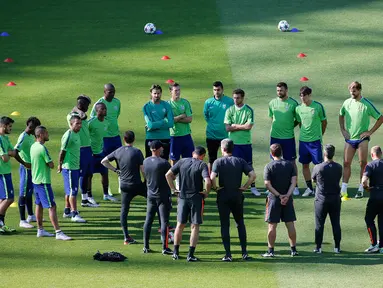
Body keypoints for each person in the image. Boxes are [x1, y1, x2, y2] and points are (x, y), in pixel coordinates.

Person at [210, 139, 256, 261]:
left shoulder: (218, 162)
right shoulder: (240, 161)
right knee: (240, 223)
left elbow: (212, 177)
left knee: (225, 225)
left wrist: (215, 188)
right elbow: (253, 175)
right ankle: (244, 253)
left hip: (223, 195)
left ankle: (228, 254)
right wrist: (245, 187)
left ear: (223, 149)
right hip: (237, 195)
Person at [165, 146, 211, 262]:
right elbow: (208, 181)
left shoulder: (182, 161)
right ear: (203, 155)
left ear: (193, 153)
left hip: (182, 197)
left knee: (180, 225)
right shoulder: (202, 165)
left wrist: (174, 189)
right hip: (196, 198)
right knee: (195, 226)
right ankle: (190, 254)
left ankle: (175, 252)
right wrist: (206, 192)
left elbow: (168, 175)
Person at [339, 81, 383, 200]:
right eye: (351, 90)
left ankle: (360, 189)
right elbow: (341, 115)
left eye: (354, 90)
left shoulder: (366, 104)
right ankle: (343, 189)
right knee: (346, 163)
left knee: (362, 163)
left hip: (362, 139)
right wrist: (343, 130)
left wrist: (370, 132)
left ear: (359, 90)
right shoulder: (346, 103)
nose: (352, 92)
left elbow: (380, 118)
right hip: (350, 139)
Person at [101, 130, 146, 245]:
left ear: (124, 139)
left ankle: (126, 237)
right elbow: (143, 169)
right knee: (155, 200)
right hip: (137, 185)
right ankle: (163, 226)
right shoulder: (137, 152)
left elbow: (104, 161)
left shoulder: (118, 151)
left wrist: (115, 170)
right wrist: (146, 181)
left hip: (124, 186)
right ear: (134, 139)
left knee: (124, 210)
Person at [31, 126, 71, 240]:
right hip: (43, 182)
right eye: (46, 133)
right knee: (52, 206)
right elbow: (51, 164)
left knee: (38, 204)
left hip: (35, 180)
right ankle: (58, 232)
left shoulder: (33, 146)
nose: (48, 135)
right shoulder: (42, 148)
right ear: (41, 135)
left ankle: (40, 230)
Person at [262, 143, 298, 257]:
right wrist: (287, 195)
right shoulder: (290, 165)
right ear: (281, 152)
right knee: (290, 223)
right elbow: (294, 182)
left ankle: (271, 251)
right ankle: (293, 250)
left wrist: (279, 196)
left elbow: (267, 184)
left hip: (273, 199)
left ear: (271, 153)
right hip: (288, 199)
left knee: (272, 226)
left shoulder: (269, 166)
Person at [224, 88, 260, 196]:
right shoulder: (229, 110)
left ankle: (253, 187)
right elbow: (227, 128)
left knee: (249, 165)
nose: (235, 100)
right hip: (233, 144)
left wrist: (235, 125)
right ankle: (234, 187)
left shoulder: (248, 110)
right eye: (234, 98)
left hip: (245, 142)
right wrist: (241, 126)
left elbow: (248, 126)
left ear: (242, 98)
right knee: (233, 166)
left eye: (238, 98)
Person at [268, 82, 300, 196]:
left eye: (281, 90)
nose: (279, 92)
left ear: (286, 90)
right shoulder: (272, 103)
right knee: (273, 162)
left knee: (291, 162)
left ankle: (295, 186)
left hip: (288, 137)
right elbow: (272, 117)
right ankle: (272, 186)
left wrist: (290, 127)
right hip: (275, 137)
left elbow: (298, 119)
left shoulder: (293, 104)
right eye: (277, 90)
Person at [295, 86, 327, 197]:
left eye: (305, 95)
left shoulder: (318, 106)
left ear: (309, 95)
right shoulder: (298, 108)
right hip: (303, 141)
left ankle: (320, 187)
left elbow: (324, 122)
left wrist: (320, 135)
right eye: (301, 96)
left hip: (315, 142)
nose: (302, 98)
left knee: (319, 166)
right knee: (304, 165)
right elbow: (299, 123)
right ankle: (309, 188)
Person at [67, 94, 98, 207]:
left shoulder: (80, 113)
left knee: (89, 173)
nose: (88, 108)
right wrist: (76, 109)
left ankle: (87, 197)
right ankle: (83, 199)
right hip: (80, 149)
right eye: (87, 105)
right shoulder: (73, 116)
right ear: (82, 104)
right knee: (83, 174)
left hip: (88, 148)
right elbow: (82, 117)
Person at [142, 140, 173, 255]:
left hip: (151, 195)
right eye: (162, 148)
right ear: (159, 149)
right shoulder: (164, 163)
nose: (163, 149)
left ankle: (146, 246)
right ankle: (164, 247)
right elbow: (172, 176)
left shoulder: (146, 161)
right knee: (164, 222)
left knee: (148, 220)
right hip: (163, 196)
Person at [91, 83, 121, 196]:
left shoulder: (117, 102)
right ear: (104, 92)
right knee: (105, 163)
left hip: (116, 136)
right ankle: (107, 190)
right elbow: (93, 119)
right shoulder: (98, 104)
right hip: (105, 139)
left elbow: (116, 116)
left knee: (120, 161)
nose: (112, 94)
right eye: (110, 92)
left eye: (113, 92)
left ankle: (121, 186)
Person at [0, 116, 29, 233]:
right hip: (2, 172)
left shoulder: (5, 138)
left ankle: (1, 224)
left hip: (5, 172)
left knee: (2, 198)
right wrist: (9, 153)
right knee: (9, 198)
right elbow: (5, 157)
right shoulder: (0, 139)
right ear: (3, 126)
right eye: (9, 126)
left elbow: (14, 152)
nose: (11, 128)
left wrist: (10, 153)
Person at [312, 144, 343, 254]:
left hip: (321, 199)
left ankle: (318, 247)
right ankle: (337, 247)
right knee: (336, 223)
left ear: (324, 153)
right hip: (335, 199)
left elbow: (313, 180)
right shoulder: (339, 167)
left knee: (319, 224)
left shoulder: (318, 167)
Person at [58, 114, 85, 223]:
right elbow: (62, 151)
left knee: (69, 190)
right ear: (71, 124)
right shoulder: (68, 135)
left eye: (80, 124)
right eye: (77, 124)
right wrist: (60, 164)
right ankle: (74, 214)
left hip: (75, 167)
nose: (80, 126)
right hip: (69, 168)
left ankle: (67, 210)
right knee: (73, 191)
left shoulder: (76, 134)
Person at [15, 116, 41, 228]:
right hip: (26, 169)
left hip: (32, 169)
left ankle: (30, 215)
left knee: (29, 192)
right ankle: (22, 220)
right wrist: (24, 163)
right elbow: (15, 151)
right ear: (31, 127)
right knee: (23, 193)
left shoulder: (30, 136)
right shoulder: (23, 137)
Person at [203, 81, 234, 175]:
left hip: (225, 135)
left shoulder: (229, 101)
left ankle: (225, 178)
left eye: (218, 90)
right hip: (211, 135)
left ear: (222, 90)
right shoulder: (208, 102)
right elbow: (206, 116)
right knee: (212, 158)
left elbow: (233, 115)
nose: (216, 92)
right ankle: (211, 180)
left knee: (227, 158)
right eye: (215, 90)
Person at [88, 102, 116, 202]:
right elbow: (85, 136)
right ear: (97, 111)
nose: (105, 111)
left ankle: (106, 194)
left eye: (105, 109)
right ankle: (89, 196)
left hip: (100, 152)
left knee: (104, 173)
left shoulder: (106, 122)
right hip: (91, 153)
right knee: (89, 175)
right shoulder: (91, 123)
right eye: (102, 109)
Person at [142, 84, 174, 160]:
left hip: (165, 138)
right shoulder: (146, 106)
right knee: (150, 163)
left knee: (164, 163)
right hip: (151, 138)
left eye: (158, 93)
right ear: (151, 93)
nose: (157, 95)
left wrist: (154, 125)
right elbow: (150, 125)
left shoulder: (167, 105)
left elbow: (171, 123)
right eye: (155, 93)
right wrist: (163, 121)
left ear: (161, 93)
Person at [361, 146, 383, 253]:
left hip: (375, 196)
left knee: (369, 219)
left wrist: (366, 188)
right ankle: (382, 246)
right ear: (381, 153)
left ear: (372, 154)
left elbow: (364, 181)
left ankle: (374, 244)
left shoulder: (370, 165)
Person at [168, 83, 194, 166]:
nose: (178, 92)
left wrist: (175, 118)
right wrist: (182, 116)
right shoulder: (167, 105)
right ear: (170, 92)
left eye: (179, 90)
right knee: (174, 159)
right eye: (176, 90)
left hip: (186, 135)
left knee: (189, 159)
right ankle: (175, 179)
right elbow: (169, 121)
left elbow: (189, 119)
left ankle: (187, 177)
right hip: (174, 136)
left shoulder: (185, 102)